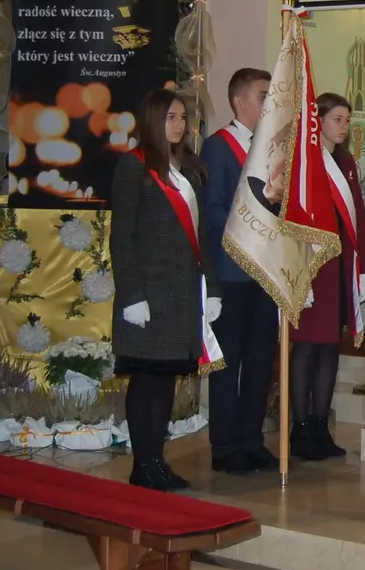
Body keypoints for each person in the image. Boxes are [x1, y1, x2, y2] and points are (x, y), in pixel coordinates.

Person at [111, 89, 220, 491]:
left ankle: (156, 460)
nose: (180, 124)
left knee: (165, 382)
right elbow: (121, 237)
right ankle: (143, 464)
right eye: (171, 117)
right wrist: (131, 295)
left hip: (182, 294)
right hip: (148, 294)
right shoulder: (134, 166)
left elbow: (202, 236)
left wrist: (212, 288)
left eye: (183, 117)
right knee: (147, 379)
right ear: (153, 120)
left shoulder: (189, 169)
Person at [288, 93, 365, 461]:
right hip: (312, 265)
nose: (344, 126)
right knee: (307, 345)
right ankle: (300, 427)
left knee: (329, 346)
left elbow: (356, 219)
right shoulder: (303, 162)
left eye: (347, 120)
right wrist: (298, 272)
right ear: (318, 120)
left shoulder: (345, 161)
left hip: (339, 265)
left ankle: (321, 425)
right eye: (337, 119)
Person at [201, 68, 276, 476]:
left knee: (260, 358)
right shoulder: (219, 147)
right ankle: (225, 444)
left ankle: (251, 439)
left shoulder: (271, 148)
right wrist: (250, 224)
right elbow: (211, 209)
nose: (269, 103)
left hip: (264, 270)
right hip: (231, 270)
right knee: (229, 361)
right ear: (239, 101)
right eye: (263, 96)